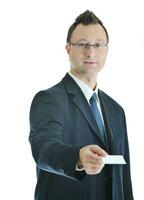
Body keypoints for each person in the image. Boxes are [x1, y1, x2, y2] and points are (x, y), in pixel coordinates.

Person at [29, 10, 134, 200]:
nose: (90, 51)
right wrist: (77, 157)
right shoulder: (49, 99)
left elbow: (124, 179)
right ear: (68, 49)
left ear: (107, 50)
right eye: (83, 44)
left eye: (98, 45)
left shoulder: (116, 110)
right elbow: (43, 149)